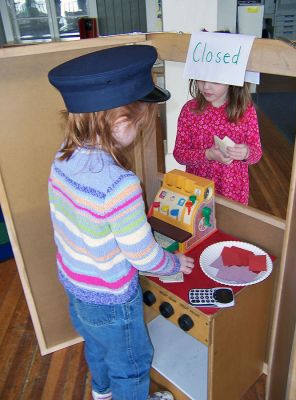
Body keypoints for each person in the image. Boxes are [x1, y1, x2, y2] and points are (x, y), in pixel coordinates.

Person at [48, 45, 194, 400]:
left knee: (97, 349)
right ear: (120, 122)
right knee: (132, 365)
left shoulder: (62, 158)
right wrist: (175, 262)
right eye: (142, 122)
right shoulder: (120, 184)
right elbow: (143, 257)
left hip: (76, 286)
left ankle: (102, 394)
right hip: (112, 299)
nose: (142, 129)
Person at [173, 79, 262, 205]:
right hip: (198, 189)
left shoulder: (246, 110)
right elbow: (179, 154)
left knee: (230, 223)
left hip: (233, 191)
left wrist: (246, 153)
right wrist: (208, 154)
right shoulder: (190, 110)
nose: (206, 87)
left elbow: (256, 153)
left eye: (215, 82)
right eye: (201, 80)